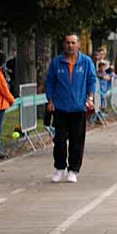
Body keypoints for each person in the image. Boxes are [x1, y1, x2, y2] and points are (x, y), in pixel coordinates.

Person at [44, 33, 97, 183]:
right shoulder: (57, 62)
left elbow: (92, 81)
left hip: (79, 108)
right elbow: (50, 82)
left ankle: (73, 169)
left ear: (78, 44)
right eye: (67, 43)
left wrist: (90, 98)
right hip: (60, 108)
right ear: (64, 45)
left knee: (76, 141)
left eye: (73, 43)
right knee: (59, 140)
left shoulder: (86, 62)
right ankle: (60, 168)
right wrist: (50, 100)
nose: (70, 45)